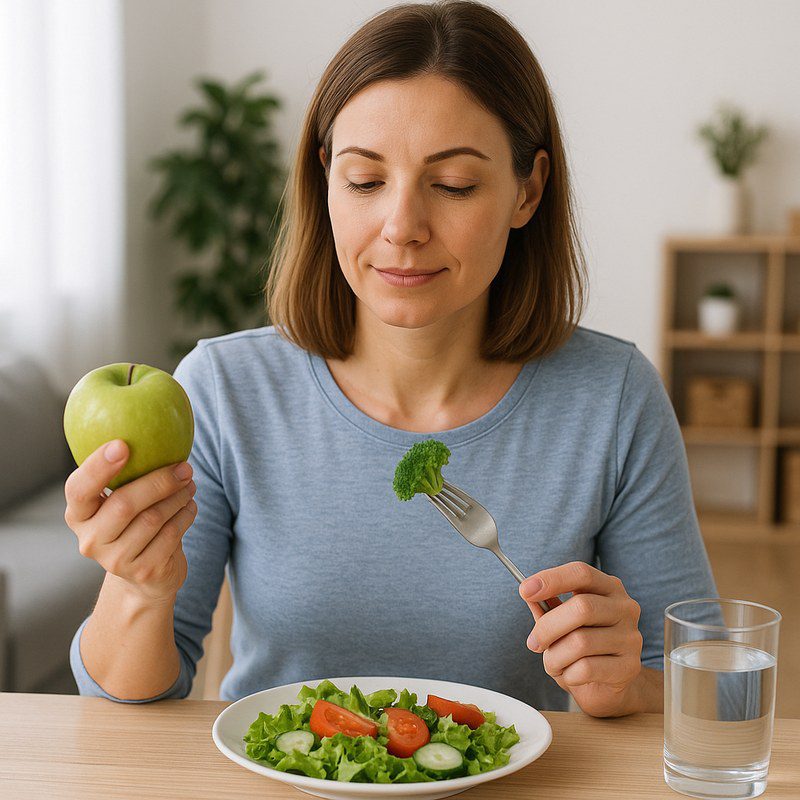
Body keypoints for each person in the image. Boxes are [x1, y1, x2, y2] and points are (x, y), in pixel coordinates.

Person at [66, 0, 717, 717]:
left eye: (454, 184)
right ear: (325, 179)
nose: (402, 227)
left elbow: (709, 686)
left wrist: (628, 685)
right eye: (365, 181)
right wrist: (138, 588)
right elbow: (127, 708)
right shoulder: (225, 391)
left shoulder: (613, 398)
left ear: (527, 191)